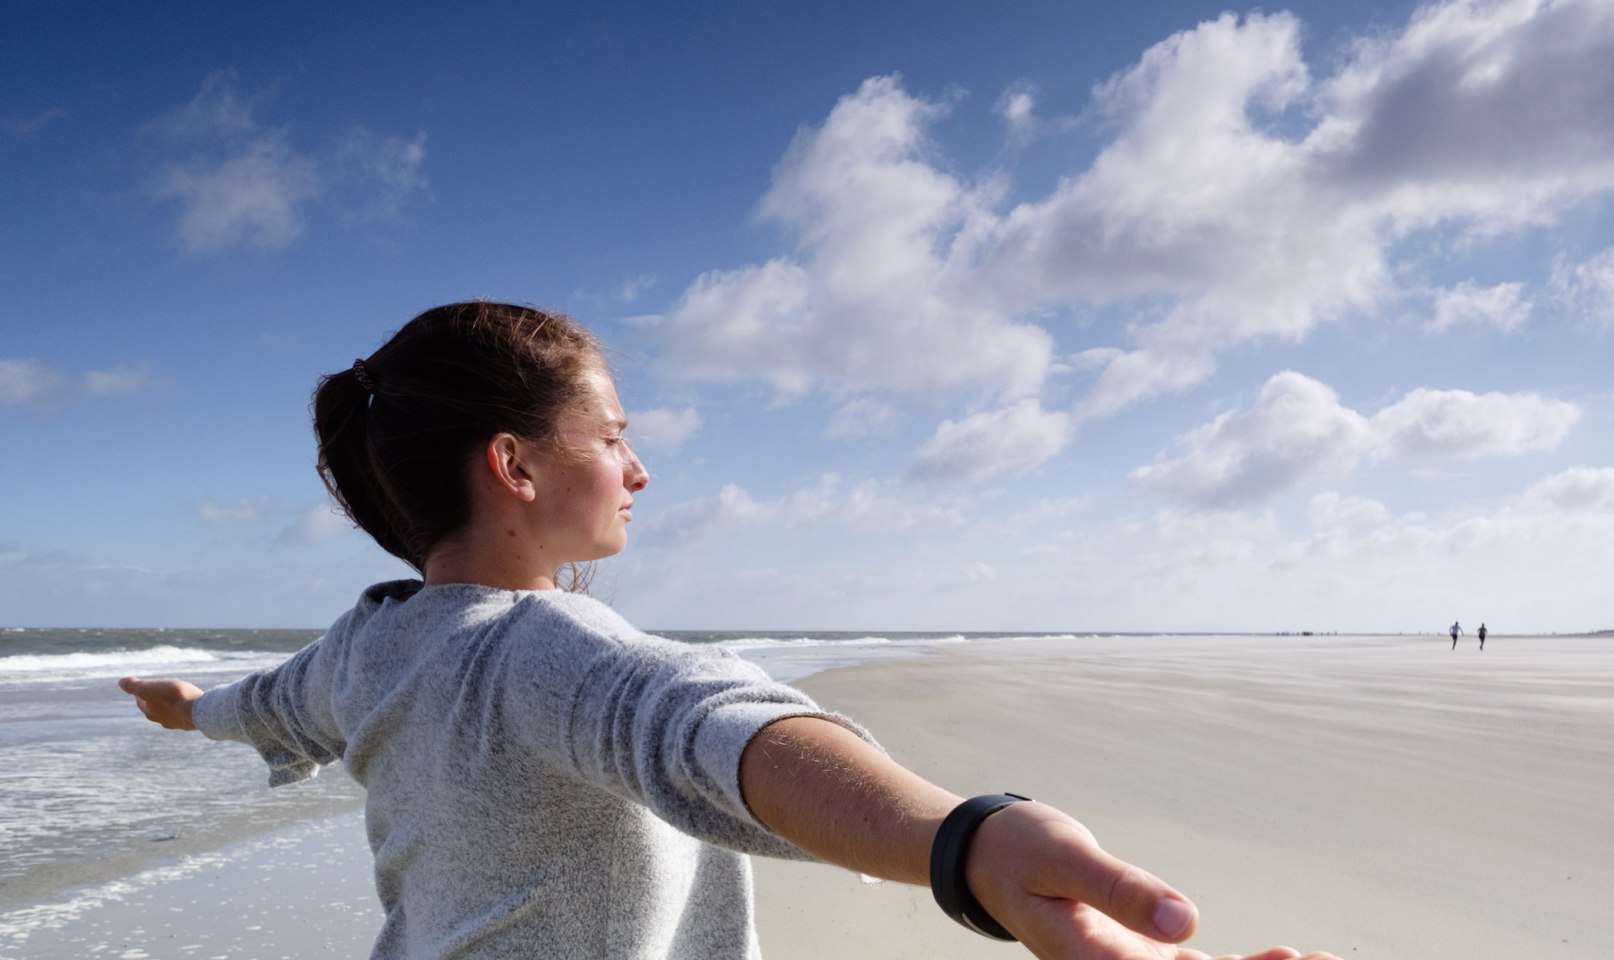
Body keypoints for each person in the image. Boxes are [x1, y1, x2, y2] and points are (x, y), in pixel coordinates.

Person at [118, 302, 1339, 960]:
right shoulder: (542, 651)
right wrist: (964, 841)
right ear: (515, 465)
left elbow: (256, 706)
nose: (640, 470)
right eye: (611, 438)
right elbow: (700, 725)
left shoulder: (362, 647)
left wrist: (179, 707)